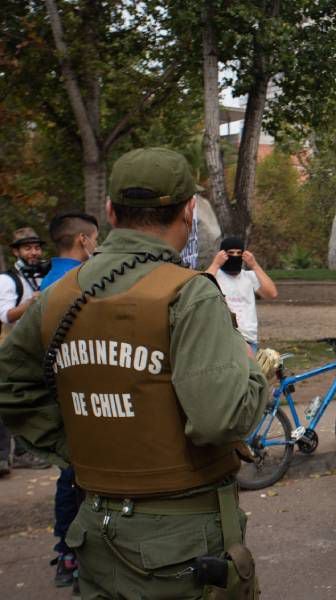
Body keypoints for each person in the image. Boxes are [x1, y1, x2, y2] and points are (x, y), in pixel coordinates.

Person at [0, 147, 268, 599]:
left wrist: (77, 447)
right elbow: (220, 418)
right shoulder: (189, 294)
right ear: (188, 212)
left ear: (109, 211)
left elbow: (11, 385)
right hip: (184, 540)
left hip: (95, 532)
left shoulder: (58, 295)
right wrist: (255, 370)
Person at [40, 211, 100, 588]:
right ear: (82, 241)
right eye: (95, 239)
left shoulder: (49, 280)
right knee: (80, 477)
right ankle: (74, 555)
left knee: (71, 475)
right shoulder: (75, 282)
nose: (96, 245)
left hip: (61, 392)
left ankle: (66, 550)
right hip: (81, 393)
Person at [0, 227, 51, 475]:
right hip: (12, 350)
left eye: (37, 247)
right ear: (16, 251)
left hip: (35, 348)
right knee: (13, 400)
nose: (34, 252)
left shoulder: (41, 276)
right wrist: (33, 302)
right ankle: (13, 455)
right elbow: (7, 315)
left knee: (31, 398)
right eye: (28, 247)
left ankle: (24, 452)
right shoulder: (7, 280)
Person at [206, 237, 278, 353]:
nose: (235, 256)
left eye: (239, 253)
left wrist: (254, 265)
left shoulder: (249, 276)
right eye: (230, 253)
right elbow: (202, 286)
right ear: (222, 254)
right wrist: (215, 264)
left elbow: (272, 293)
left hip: (249, 339)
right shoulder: (214, 276)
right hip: (224, 340)